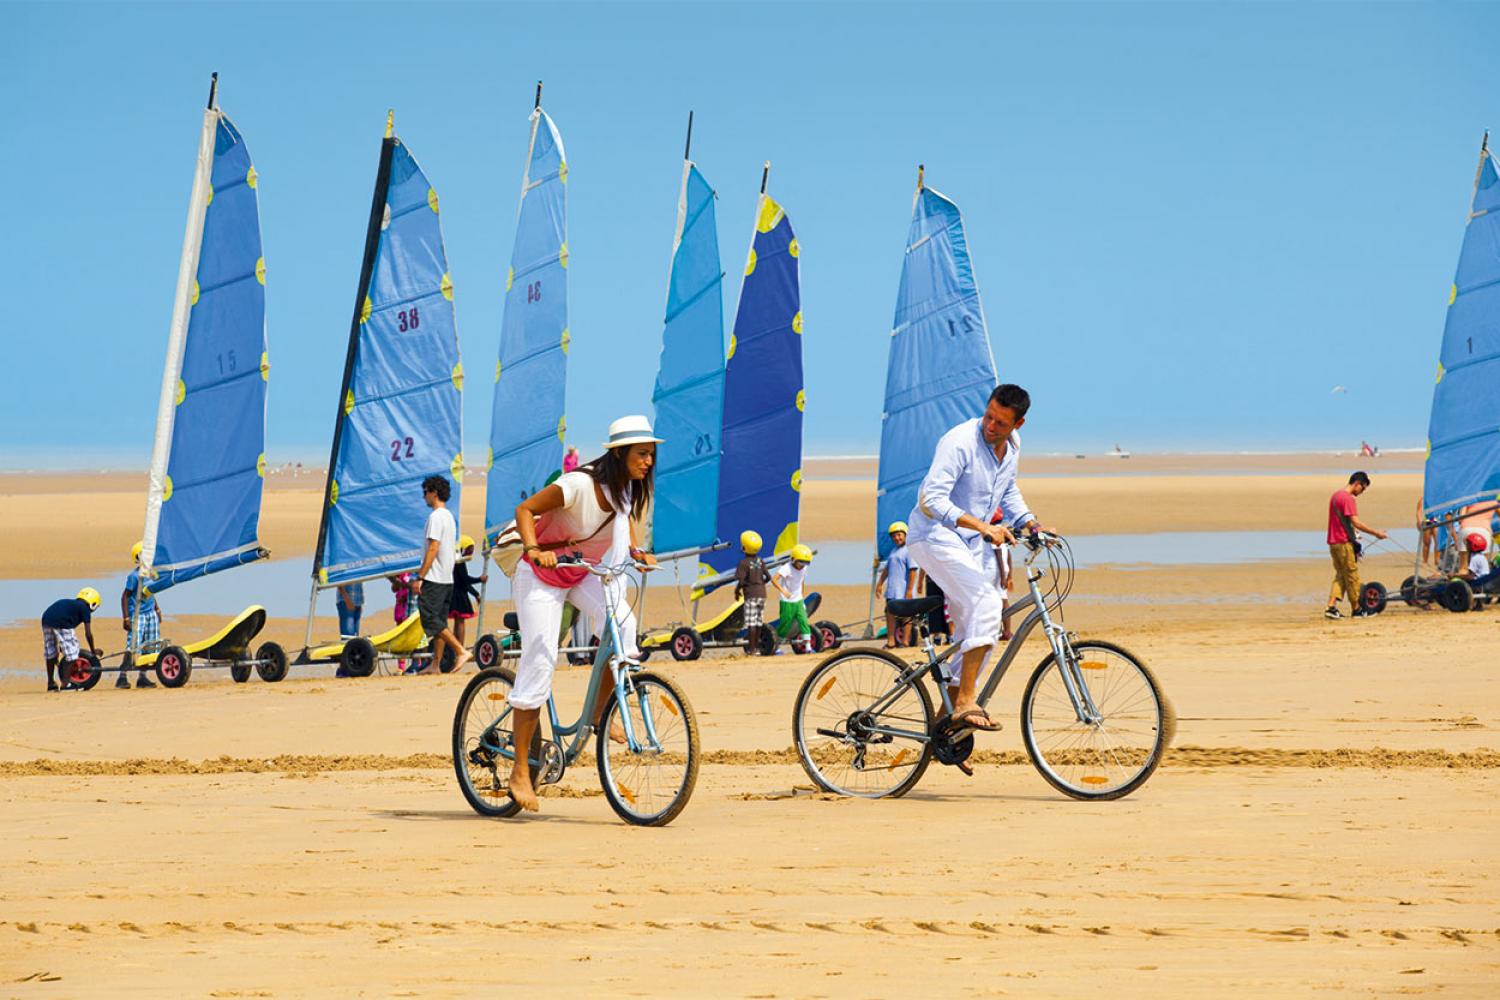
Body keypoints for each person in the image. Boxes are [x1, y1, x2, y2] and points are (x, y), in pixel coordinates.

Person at [507, 415, 661, 812]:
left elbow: (620, 540)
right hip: (541, 574)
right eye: (642, 454)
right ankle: (521, 769)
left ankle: (598, 714)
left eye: (651, 454)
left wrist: (637, 555)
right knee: (540, 657)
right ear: (620, 453)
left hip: (580, 573)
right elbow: (525, 509)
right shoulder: (578, 485)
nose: (648, 461)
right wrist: (532, 548)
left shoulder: (626, 493)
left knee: (624, 628)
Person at [906, 384, 1047, 732]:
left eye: (1001, 422)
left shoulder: (1012, 446)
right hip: (934, 536)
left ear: (1019, 424)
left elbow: (1007, 489)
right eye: (989, 416)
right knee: (987, 603)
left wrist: (1030, 522)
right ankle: (966, 701)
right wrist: (983, 526)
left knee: (980, 632)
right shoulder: (959, 442)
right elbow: (931, 500)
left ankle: (944, 728)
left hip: (969, 544)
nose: (991, 426)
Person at [408, 475, 472, 675]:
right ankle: (435, 664)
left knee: (431, 619)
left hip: (435, 577)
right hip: (446, 577)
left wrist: (420, 576)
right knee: (440, 622)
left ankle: (460, 650)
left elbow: (433, 547)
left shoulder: (436, 517)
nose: (424, 496)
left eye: (425, 492)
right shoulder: (449, 517)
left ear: (434, 492)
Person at [1325, 471, 1387, 620]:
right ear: (1357, 484)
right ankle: (1357, 610)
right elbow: (1356, 521)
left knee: (1341, 575)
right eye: (1363, 488)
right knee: (1352, 576)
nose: (1362, 492)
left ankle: (1331, 607)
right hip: (1343, 543)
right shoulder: (1348, 499)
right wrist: (1376, 533)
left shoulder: (1336, 496)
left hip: (1333, 543)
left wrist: (1355, 531)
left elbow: (1345, 522)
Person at [42, 588, 103, 692]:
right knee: (72, 653)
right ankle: (66, 684)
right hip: (62, 622)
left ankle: (51, 683)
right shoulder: (84, 608)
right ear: (93, 604)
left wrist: (62, 646)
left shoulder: (73, 605)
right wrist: (93, 651)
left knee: (51, 651)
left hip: (46, 619)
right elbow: (88, 633)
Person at [119, 542, 160, 689]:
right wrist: (126, 617)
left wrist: (157, 609)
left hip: (150, 614)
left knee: (150, 646)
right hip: (138, 615)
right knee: (133, 646)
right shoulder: (134, 576)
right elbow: (125, 596)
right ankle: (122, 677)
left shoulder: (152, 573)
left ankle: (142, 677)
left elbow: (151, 592)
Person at [876, 522, 917, 647]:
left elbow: (913, 571)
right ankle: (891, 641)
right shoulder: (893, 551)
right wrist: (880, 584)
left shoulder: (909, 550)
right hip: (892, 590)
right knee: (890, 614)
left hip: (903, 590)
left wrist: (910, 590)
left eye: (899, 535)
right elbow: (887, 569)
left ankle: (905, 641)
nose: (897, 538)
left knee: (906, 616)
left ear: (905, 535)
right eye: (894, 536)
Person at [771, 544, 816, 653]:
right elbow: (774, 580)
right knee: (785, 624)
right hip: (787, 601)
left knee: (804, 622)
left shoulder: (804, 569)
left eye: (805, 563)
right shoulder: (787, 568)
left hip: (798, 600)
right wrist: (783, 591)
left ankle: (808, 647)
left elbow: (802, 582)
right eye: (800, 563)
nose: (802, 566)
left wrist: (802, 596)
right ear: (793, 559)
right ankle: (777, 647)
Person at [733, 530, 771, 656]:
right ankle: (758, 648)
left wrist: (737, 590)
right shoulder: (760, 561)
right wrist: (760, 583)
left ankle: (752, 649)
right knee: (759, 621)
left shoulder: (743, 563)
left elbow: (741, 580)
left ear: (744, 547)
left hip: (751, 596)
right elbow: (768, 577)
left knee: (751, 623)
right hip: (762, 594)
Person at [449, 535, 487, 650]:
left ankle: (457, 648)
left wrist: (475, 594)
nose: (472, 552)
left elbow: (462, 581)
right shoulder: (458, 561)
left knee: (457, 621)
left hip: (454, 593)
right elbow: (465, 579)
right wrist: (479, 579)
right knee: (460, 622)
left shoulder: (454, 559)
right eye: (470, 548)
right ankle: (460, 648)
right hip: (459, 595)